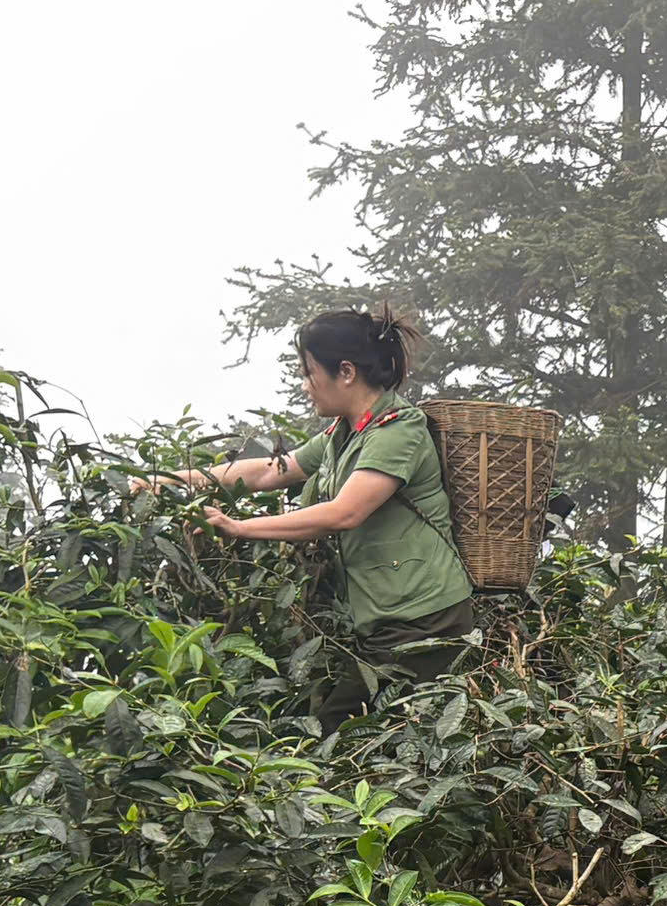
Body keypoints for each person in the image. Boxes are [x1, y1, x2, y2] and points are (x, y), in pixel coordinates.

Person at [131, 307, 477, 734]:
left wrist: (240, 528)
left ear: (346, 371)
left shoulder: (397, 430)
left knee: (339, 729)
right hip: (390, 618)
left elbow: (345, 512)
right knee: (362, 733)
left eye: (309, 372)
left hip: (427, 617)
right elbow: (268, 470)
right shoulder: (344, 433)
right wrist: (172, 480)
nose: (304, 385)